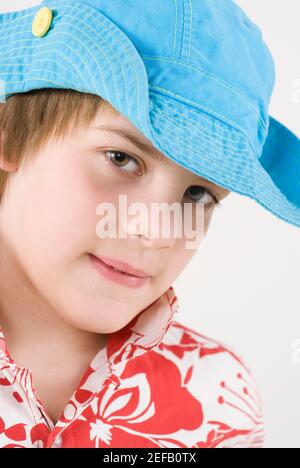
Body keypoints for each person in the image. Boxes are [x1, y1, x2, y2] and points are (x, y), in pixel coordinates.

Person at [0, 0, 298, 448]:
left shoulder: (219, 398)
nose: (156, 232)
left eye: (198, 194)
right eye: (121, 158)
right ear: (10, 137)